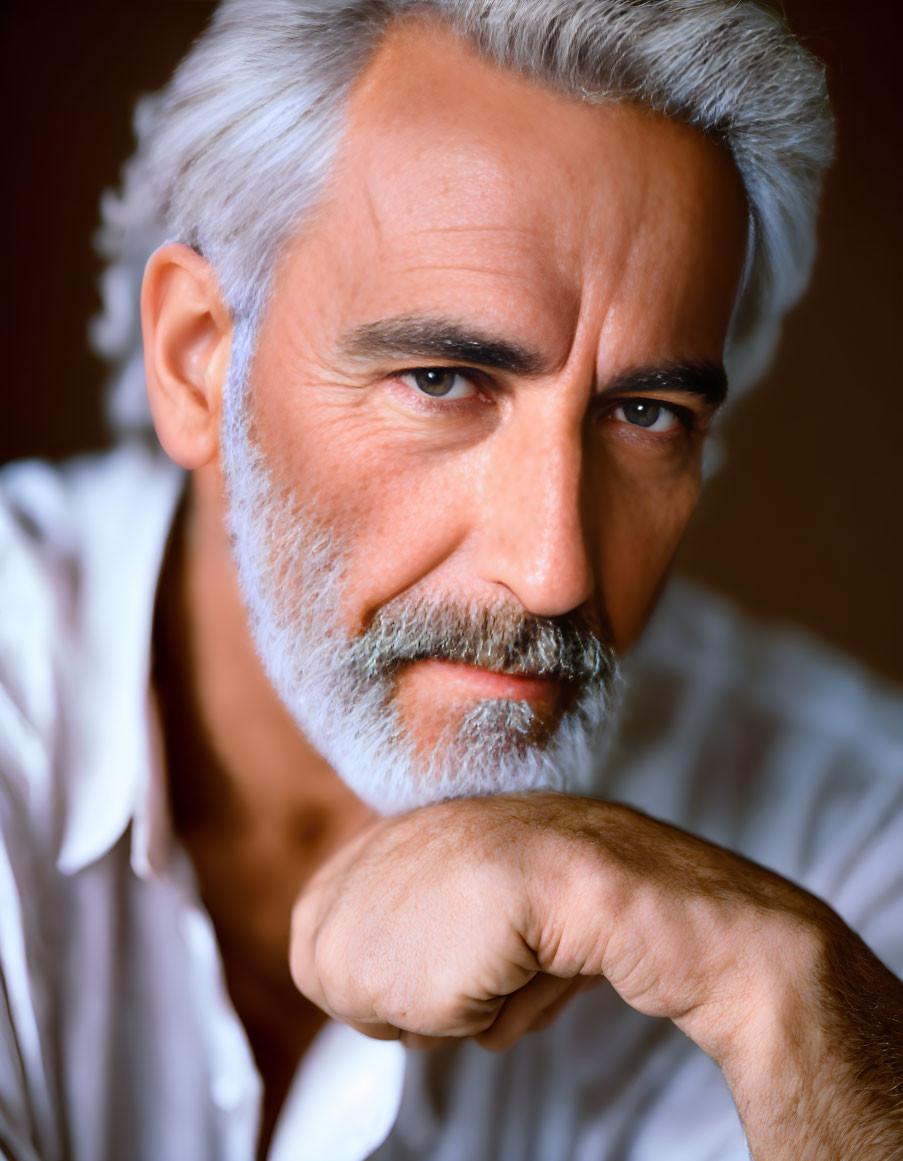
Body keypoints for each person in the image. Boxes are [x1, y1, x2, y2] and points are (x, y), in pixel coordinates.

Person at [1, 1, 901, 1159]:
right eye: (442, 380)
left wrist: (765, 976)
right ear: (197, 361)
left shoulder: (845, 842)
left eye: (645, 414)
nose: (551, 575)